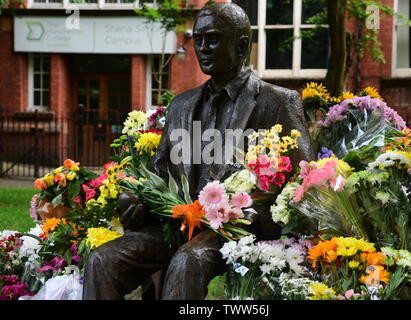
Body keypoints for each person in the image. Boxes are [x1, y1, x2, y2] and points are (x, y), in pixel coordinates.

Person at [82, 2, 314, 300]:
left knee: (188, 260)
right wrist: (136, 199)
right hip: (177, 223)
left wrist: (247, 214)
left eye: (213, 39)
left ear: (242, 45)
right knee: (103, 259)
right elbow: (159, 172)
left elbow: (302, 187)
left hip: (238, 230)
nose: (202, 47)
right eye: (198, 39)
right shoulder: (181, 105)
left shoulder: (277, 102)